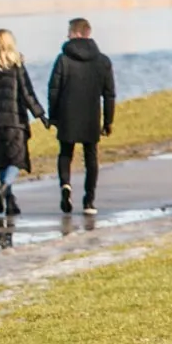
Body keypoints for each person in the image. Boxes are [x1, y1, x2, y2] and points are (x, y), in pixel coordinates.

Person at [0, 28, 49, 216]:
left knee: (1, 162)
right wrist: (41, 115)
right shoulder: (16, 64)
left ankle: (10, 202)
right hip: (14, 121)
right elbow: (27, 93)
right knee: (16, 160)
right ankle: (3, 188)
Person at [48, 17, 117, 216]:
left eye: (69, 32)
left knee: (65, 153)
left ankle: (66, 185)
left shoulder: (63, 59)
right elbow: (109, 94)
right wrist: (108, 121)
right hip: (91, 114)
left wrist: (53, 115)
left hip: (67, 113)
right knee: (91, 157)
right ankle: (89, 200)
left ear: (77, 33)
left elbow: (53, 89)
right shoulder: (102, 61)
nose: (67, 35)